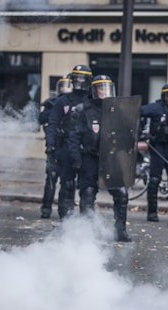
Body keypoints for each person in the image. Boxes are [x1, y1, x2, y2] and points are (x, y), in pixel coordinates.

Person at [66, 75, 132, 242]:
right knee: (88, 193)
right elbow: (73, 136)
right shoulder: (83, 110)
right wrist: (76, 159)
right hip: (90, 158)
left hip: (110, 158)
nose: (104, 92)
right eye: (101, 88)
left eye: (107, 88)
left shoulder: (116, 110)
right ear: (94, 90)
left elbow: (126, 132)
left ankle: (120, 230)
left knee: (121, 193)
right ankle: (86, 232)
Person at [44, 64, 93, 220]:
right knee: (67, 185)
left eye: (82, 78)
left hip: (86, 149)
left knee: (88, 188)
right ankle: (67, 221)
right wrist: (50, 145)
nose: (79, 81)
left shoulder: (92, 101)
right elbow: (52, 123)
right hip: (65, 147)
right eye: (77, 78)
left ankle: (86, 223)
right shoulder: (63, 101)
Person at [140, 83, 168, 222]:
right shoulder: (156, 108)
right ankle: (152, 212)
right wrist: (141, 131)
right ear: (165, 96)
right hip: (158, 148)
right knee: (154, 180)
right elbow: (139, 111)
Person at [38, 74, 73, 219]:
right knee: (51, 179)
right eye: (62, 85)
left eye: (67, 85)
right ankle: (46, 208)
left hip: (67, 146)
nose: (64, 88)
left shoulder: (72, 102)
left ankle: (64, 211)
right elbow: (42, 119)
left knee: (67, 182)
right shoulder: (52, 102)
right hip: (54, 147)